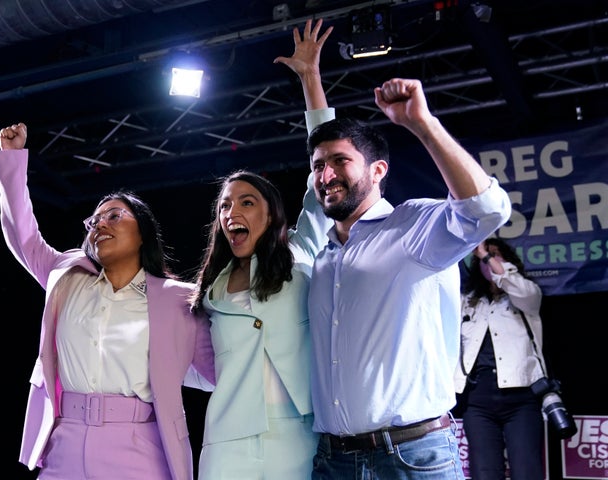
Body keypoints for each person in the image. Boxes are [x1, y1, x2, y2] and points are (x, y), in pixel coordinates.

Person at [305, 80, 513, 478]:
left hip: (412, 457)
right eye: (317, 165)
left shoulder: (413, 225)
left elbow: (488, 211)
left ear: (378, 170)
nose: (326, 174)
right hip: (334, 462)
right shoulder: (323, 257)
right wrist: (309, 80)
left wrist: (423, 125)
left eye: (340, 161)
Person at [0, 122, 215, 480]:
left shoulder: (178, 299)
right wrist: (13, 162)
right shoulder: (65, 275)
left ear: (143, 233)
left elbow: (220, 371)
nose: (99, 225)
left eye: (114, 215)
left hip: (139, 447)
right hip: (65, 439)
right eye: (94, 220)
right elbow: (23, 236)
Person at [188, 18, 334, 479]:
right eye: (225, 205)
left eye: (247, 202)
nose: (233, 211)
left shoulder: (300, 254)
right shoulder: (207, 291)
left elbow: (321, 175)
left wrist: (310, 79)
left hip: (299, 434)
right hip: (227, 441)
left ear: (271, 215)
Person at [454, 236, 547, 480]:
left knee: (527, 472)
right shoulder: (468, 302)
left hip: (521, 399)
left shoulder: (526, 296)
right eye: (483, 258)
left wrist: (485, 253)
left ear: (507, 261)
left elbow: (519, 288)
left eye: (495, 255)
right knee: (484, 473)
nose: (488, 260)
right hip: (479, 402)